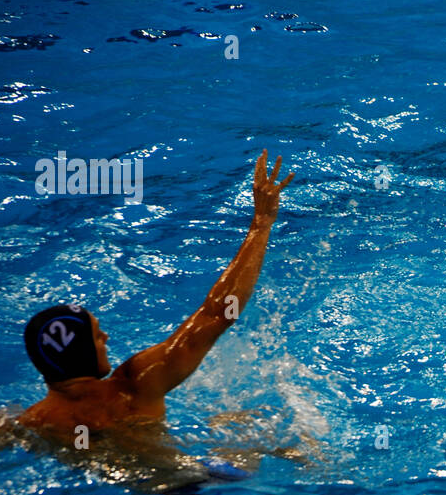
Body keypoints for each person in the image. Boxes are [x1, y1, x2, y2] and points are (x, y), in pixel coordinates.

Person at [17, 150, 292, 442]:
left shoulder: (33, 423)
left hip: (120, 487)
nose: (106, 339)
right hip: (193, 485)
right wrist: (262, 223)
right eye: (97, 337)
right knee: (253, 422)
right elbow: (220, 312)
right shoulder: (135, 385)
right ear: (80, 352)